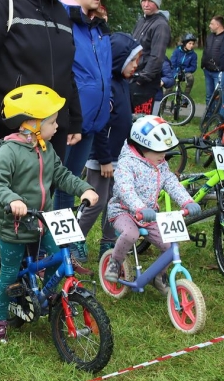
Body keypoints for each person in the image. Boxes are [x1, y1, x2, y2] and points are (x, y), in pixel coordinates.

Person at [0, 0, 81, 313]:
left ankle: (22, 281)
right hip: (1, 128)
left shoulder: (60, 13)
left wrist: (72, 121)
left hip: (49, 130)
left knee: (37, 206)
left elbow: (67, 74)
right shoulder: (2, 5)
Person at [0, 84, 98, 344]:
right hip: (14, 226)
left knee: (59, 256)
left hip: (43, 222)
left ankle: (46, 295)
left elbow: (61, 175)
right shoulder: (9, 151)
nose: (57, 127)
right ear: (33, 124)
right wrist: (12, 199)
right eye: (52, 122)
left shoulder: (45, 149)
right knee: (9, 273)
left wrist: (84, 188)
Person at [103, 116, 201, 282]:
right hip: (123, 211)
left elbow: (171, 182)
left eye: (164, 151)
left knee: (170, 246)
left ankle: (158, 275)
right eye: (158, 151)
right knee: (130, 234)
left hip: (149, 215)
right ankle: (115, 262)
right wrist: (139, 208)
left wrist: (187, 201)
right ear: (142, 147)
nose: (163, 156)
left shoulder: (161, 164)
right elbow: (125, 190)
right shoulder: (127, 164)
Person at [54, 0, 111, 267]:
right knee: (59, 183)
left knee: (69, 182)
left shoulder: (99, 28)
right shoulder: (64, 17)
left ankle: (62, 247)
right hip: (68, 119)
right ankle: (54, 248)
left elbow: (102, 73)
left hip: (92, 121)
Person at [79, 33, 143, 259]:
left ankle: (108, 242)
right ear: (119, 58)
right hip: (102, 158)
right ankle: (77, 239)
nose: (136, 66)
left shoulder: (124, 84)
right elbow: (99, 126)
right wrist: (104, 159)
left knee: (116, 202)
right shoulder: (108, 86)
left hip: (120, 157)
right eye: (133, 60)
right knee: (97, 201)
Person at [130, 0, 170, 115]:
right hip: (133, 78)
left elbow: (157, 57)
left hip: (145, 84)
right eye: (143, 1)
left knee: (141, 123)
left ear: (157, 4)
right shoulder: (141, 21)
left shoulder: (160, 25)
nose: (146, 4)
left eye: (150, 1)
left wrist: (142, 79)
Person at [202, 16, 224, 105]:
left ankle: (217, 117)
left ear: (217, 25)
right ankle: (208, 117)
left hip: (219, 72)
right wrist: (203, 65)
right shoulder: (210, 37)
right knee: (209, 96)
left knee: (218, 96)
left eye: (211, 24)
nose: (209, 26)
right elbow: (205, 51)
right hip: (207, 70)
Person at [168, 34, 198, 98]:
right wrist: (175, 73)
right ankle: (162, 105)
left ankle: (186, 98)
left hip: (184, 72)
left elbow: (193, 67)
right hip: (174, 72)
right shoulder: (177, 51)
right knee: (168, 87)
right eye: (189, 43)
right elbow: (172, 64)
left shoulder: (193, 55)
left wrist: (185, 70)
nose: (191, 45)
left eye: (193, 44)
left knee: (190, 77)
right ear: (185, 43)